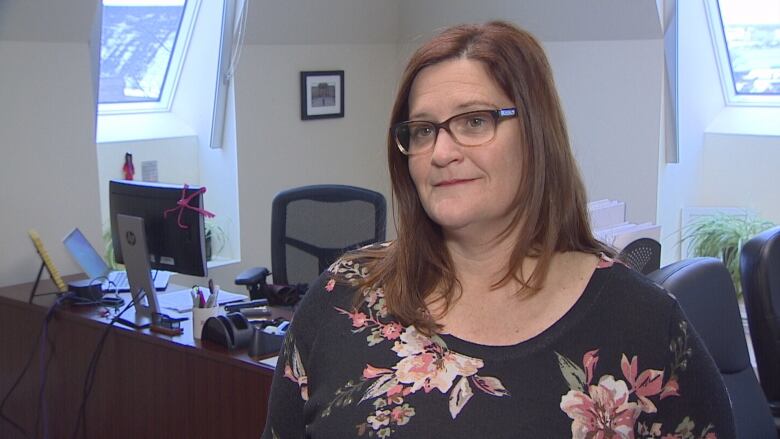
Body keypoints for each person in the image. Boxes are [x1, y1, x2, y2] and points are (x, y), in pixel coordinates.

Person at [262, 21, 735, 438]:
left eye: (473, 121)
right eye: (423, 130)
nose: (441, 152)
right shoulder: (341, 298)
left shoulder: (645, 325)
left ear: (535, 135)